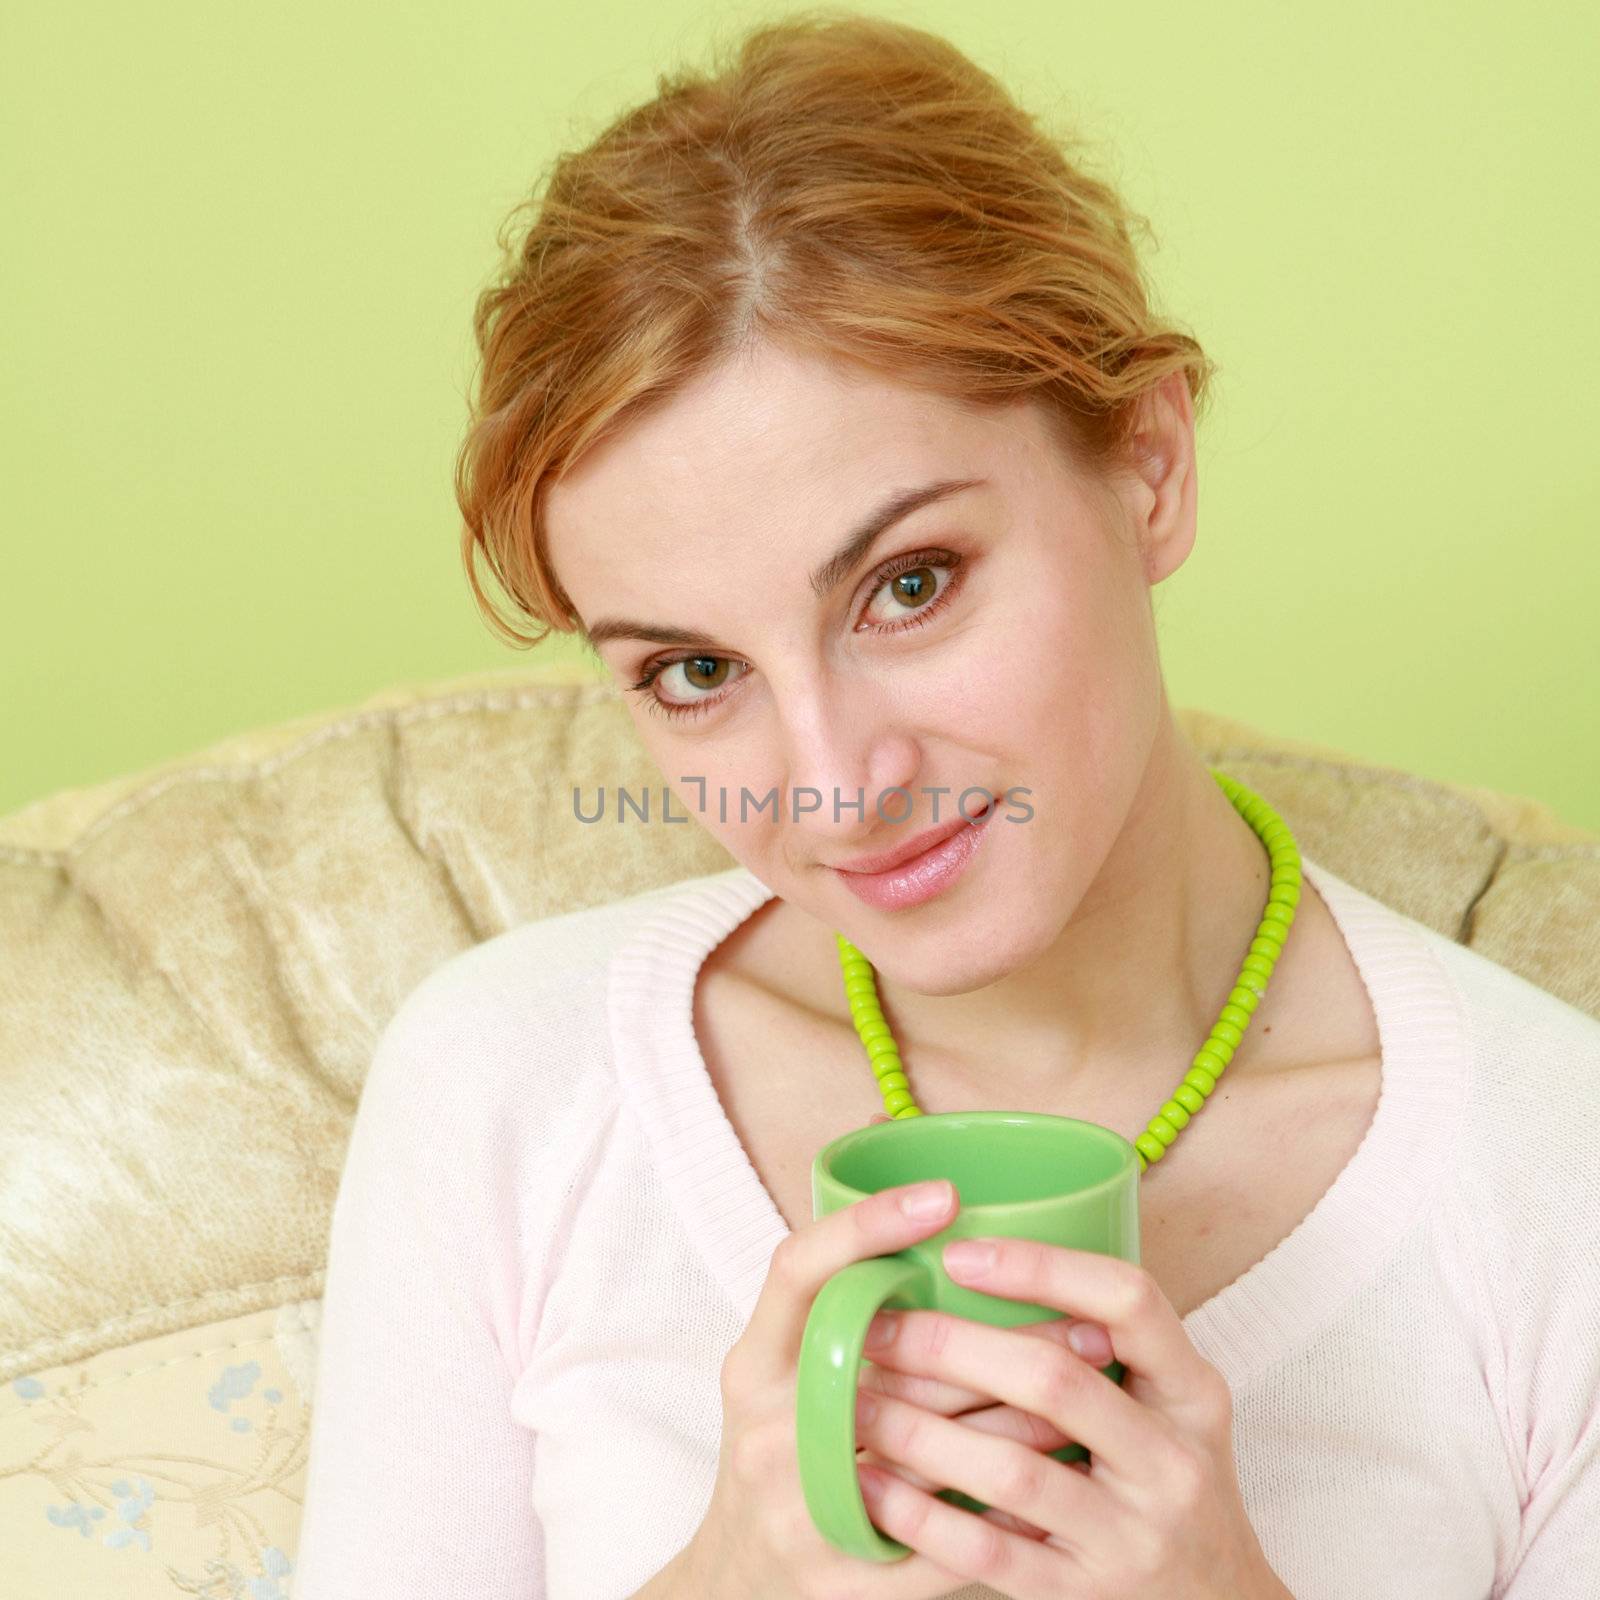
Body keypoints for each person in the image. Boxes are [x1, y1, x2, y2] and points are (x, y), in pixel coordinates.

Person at [292, 12, 1600, 1599]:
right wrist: (729, 1577)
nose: (836, 779)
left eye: (909, 586)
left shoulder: (1552, 1176)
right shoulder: (507, 1091)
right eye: (696, 671)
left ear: (1150, 465)